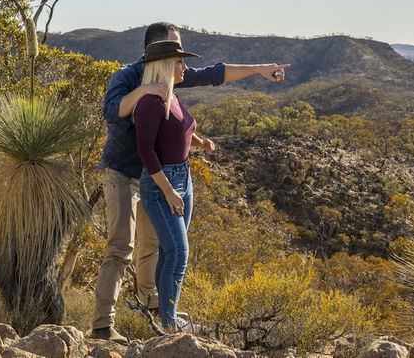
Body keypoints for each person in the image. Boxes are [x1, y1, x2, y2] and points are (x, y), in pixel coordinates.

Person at [91, 22, 289, 343]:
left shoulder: (172, 75)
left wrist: (259, 69)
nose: (181, 58)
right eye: (175, 47)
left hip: (157, 177)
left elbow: (215, 74)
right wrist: (143, 90)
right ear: (154, 50)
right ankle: (102, 327)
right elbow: (112, 111)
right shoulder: (126, 77)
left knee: (152, 246)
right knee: (120, 248)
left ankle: (155, 310)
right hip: (124, 173)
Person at [134, 40, 203, 332]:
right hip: (163, 182)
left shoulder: (171, 96)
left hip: (183, 177)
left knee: (169, 251)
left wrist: (202, 143)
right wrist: (168, 191)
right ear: (163, 65)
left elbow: (181, 128)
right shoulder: (151, 102)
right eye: (179, 62)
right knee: (178, 253)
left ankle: (167, 316)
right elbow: (146, 150)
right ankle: (169, 323)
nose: (185, 67)